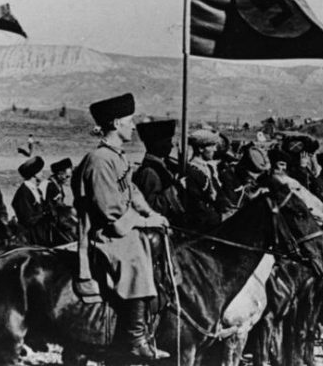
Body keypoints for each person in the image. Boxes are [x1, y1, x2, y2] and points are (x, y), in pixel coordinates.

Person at [73, 93, 169, 360]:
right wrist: (143, 221)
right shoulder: (100, 160)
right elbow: (111, 213)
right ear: (116, 123)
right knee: (137, 255)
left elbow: (132, 190)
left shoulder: (117, 156)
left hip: (118, 225)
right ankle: (136, 337)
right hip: (105, 234)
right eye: (130, 121)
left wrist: (152, 213)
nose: (134, 126)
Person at [133, 119, 185, 221]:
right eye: (168, 141)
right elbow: (153, 207)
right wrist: (177, 188)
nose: (171, 145)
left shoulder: (162, 165)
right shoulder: (150, 172)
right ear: (157, 144)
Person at [184, 129, 223, 230]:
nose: (215, 149)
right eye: (212, 146)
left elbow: (219, 195)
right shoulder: (192, 172)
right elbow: (197, 208)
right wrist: (221, 218)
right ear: (201, 149)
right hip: (202, 228)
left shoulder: (208, 168)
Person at [11, 156, 47, 228]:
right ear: (35, 173)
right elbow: (27, 219)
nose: (43, 173)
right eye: (40, 171)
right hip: (29, 234)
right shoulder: (23, 193)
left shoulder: (37, 190)